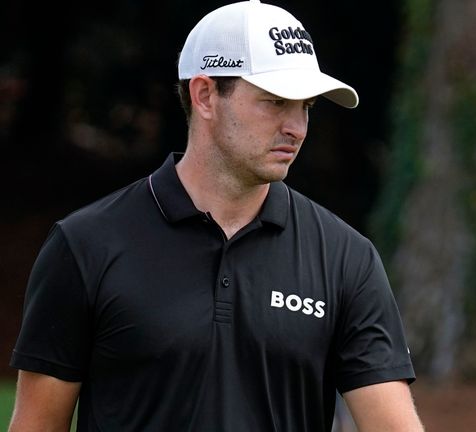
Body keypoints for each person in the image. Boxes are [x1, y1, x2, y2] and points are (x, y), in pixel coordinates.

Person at [8, 1, 424, 431]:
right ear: (205, 95)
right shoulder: (85, 246)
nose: (296, 127)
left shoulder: (346, 258)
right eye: (276, 102)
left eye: (307, 106)